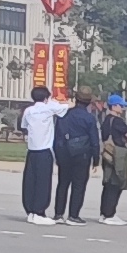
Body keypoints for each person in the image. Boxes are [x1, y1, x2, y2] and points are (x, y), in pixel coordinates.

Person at [53, 91, 101, 222]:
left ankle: (58, 214)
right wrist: (96, 160)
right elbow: (94, 141)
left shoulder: (64, 115)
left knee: (63, 184)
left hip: (64, 152)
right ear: (89, 102)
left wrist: (57, 154)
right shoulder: (89, 118)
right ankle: (73, 215)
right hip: (82, 154)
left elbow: (57, 136)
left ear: (76, 99)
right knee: (79, 185)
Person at [20, 82, 61, 222]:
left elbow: (24, 126)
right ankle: (39, 212)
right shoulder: (49, 108)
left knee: (30, 181)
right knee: (43, 182)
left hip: (32, 150)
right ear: (46, 98)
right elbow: (66, 107)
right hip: (44, 150)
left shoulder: (28, 111)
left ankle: (30, 210)